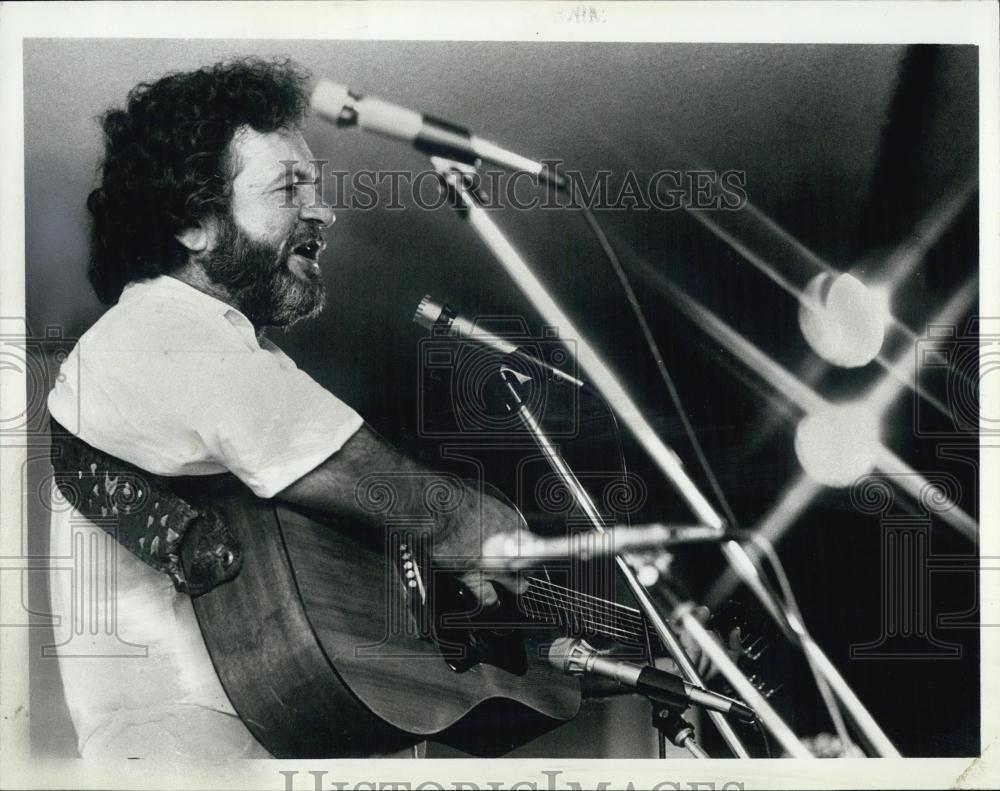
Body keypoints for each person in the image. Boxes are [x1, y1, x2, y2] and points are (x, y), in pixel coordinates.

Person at [45, 57, 525, 760]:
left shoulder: (234, 351)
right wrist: (478, 525)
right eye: (290, 187)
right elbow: (416, 504)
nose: (324, 212)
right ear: (193, 223)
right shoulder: (156, 332)